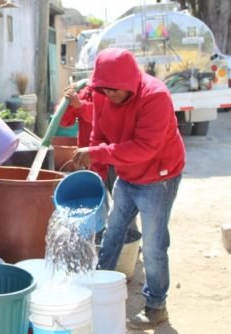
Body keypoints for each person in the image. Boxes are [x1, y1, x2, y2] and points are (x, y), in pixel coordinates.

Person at [73, 48, 185, 329]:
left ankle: (156, 306)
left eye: (114, 91)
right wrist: (95, 170)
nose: (108, 96)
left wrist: (98, 153)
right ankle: (97, 290)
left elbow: (146, 149)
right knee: (112, 234)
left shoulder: (155, 96)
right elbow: (98, 134)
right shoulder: (102, 94)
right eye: (104, 90)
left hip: (159, 177)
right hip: (127, 175)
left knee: (154, 247)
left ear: (130, 83)